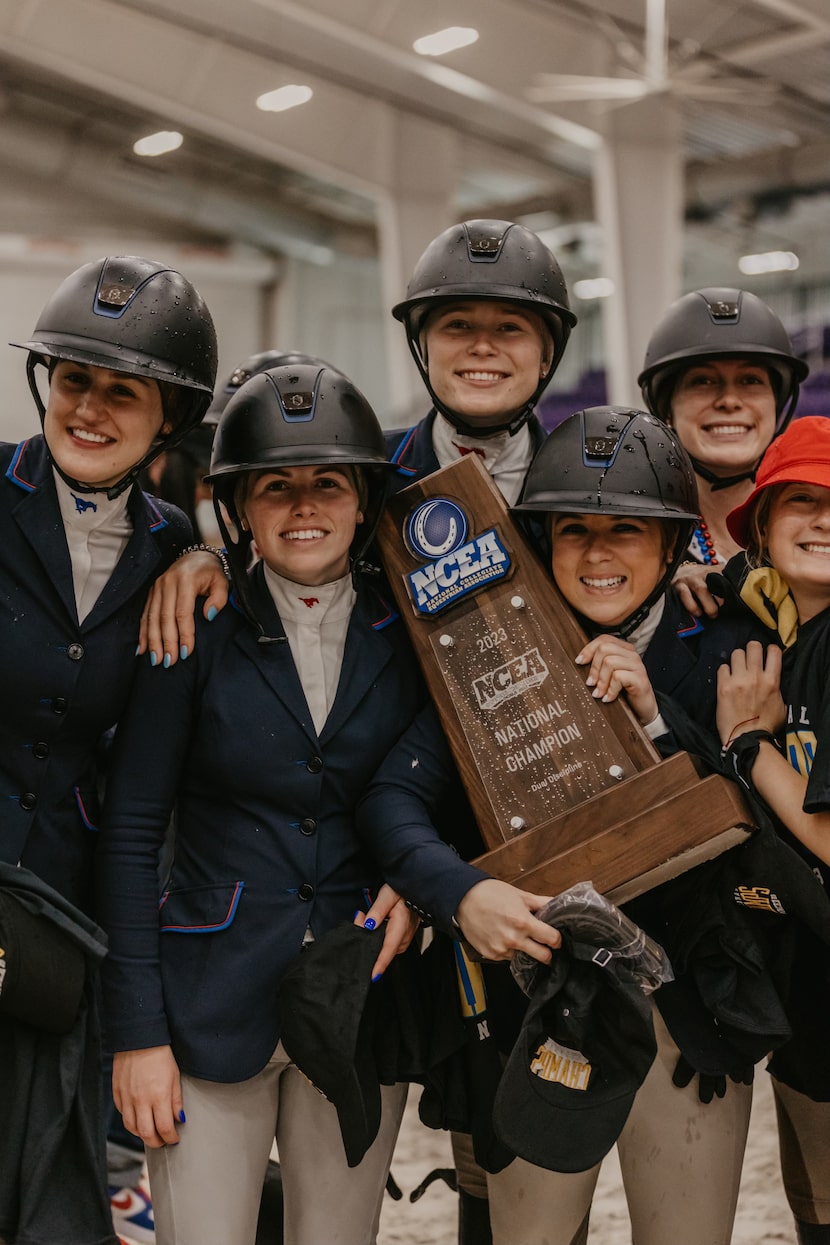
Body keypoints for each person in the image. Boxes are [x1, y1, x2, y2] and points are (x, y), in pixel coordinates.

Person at [130, 218, 576, 1244]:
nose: (478, 347)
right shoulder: (362, 466)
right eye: (454, 326)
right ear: (420, 344)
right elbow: (277, 509)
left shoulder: (584, 477)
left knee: (520, 1158)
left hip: (517, 852)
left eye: (506, 327)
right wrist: (206, 551)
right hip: (392, 871)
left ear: (548, 347)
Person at [361, 405, 780, 1245]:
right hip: (541, 1013)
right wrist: (464, 892)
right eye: (573, 529)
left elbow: (768, 821)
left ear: (669, 548)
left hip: (692, 1013)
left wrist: (658, 720)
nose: (595, 553)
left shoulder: (731, 643)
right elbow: (390, 801)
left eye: (625, 530)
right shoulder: (490, 652)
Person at [0, 255, 217, 1245]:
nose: (86, 407)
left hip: (63, 931)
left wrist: (208, 555)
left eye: (119, 391)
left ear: (166, 417)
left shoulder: (173, 549)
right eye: (72, 379)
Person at [716, 415, 830, 1244]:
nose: (823, 519)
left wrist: (749, 746)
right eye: (801, 501)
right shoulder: (791, 632)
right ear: (761, 523)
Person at [638, 286, 807, 617]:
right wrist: (660, 583)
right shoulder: (635, 527)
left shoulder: (817, 521)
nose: (729, 400)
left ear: (776, 404)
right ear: (667, 408)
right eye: (703, 381)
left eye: (750, 381)